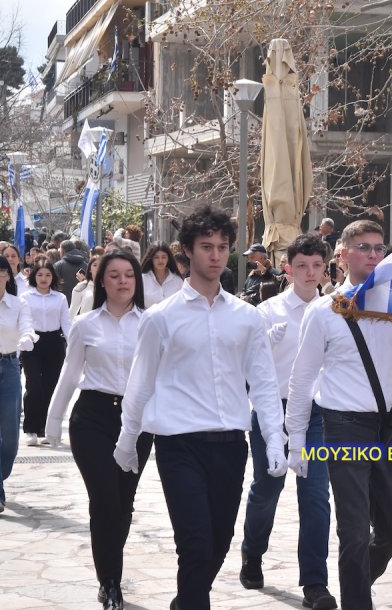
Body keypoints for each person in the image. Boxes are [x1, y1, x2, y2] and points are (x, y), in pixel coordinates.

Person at [113, 204, 287, 610]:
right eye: (206, 246)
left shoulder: (247, 318)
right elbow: (140, 383)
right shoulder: (160, 318)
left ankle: (185, 603)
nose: (216, 255)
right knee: (193, 543)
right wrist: (127, 439)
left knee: (220, 540)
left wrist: (275, 440)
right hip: (178, 445)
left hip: (230, 443)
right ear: (186, 252)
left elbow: (263, 382)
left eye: (223, 247)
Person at [285, 219, 392, 610]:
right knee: (354, 532)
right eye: (363, 247)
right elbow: (302, 379)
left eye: (378, 247)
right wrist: (297, 440)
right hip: (345, 426)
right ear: (342, 253)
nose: (373, 254)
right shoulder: (324, 311)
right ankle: (358, 600)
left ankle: (355, 582)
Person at [44, 251, 153, 610]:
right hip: (92, 418)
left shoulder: (151, 323)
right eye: (114, 275)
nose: (123, 281)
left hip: (136, 421)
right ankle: (110, 583)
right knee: (104, 501)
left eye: (129, 275)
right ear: (101, 281)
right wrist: (53, 420)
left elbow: (163, 376)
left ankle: (109, 571)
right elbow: (70, 374)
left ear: (137, 280)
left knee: (123, 503)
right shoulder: (86, 324)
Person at [239, 233, 336, 610]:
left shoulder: (334, 309)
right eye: (302, 266)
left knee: (315, 497)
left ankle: (315, 581)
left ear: (325, 267)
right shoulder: (268, 312)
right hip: (271, 410)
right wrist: (267, 340)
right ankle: (253, 552)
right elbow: (248, 363)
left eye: (316, 266)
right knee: (267, 488)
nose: (310, 273)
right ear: (288, 269)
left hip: (316, 413)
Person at [21, 259, 71, 446]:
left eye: (48, 275)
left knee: (50, 386)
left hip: (54, 343)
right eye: (40, 274)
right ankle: (31, 428)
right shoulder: (26, 297)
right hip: (32, 342)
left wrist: (74, 343)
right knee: (34, 386)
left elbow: (66, 323)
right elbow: (23, 320)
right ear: (34, 276)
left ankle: (44, 428)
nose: (44, 278)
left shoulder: (60, 298)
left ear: (53, 277)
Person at [0, 255, 34, 512]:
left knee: (10, 437)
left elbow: (26, 326)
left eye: (2, 272)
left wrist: (26, 338)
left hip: (10, 366)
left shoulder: (18, 303)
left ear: (7, 276)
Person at [140, 243, 184, 308]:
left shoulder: (178, 281)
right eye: (156, 257)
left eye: (163, 257)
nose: (160, 261)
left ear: (168, 259)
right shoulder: (142, 279)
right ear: (151, 259)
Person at [53, 238, 89, 303]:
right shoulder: (86, 265)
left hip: (63, 304)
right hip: (82, 303)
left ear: (63, 251)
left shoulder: (58, 265)